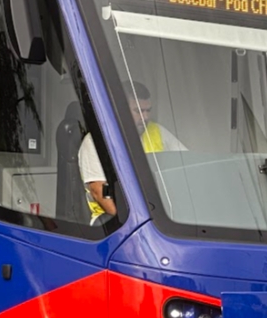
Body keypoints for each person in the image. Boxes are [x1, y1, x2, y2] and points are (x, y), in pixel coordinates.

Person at [78, 81, 186, 223]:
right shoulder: (95, 141)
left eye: (148, 111)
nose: (145, 117)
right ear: (120, 109)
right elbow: (99, 192)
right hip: (113, 221)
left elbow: (186, 163)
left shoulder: (157, 131)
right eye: (138, 111)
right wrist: (135, 221)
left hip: (159, 215)